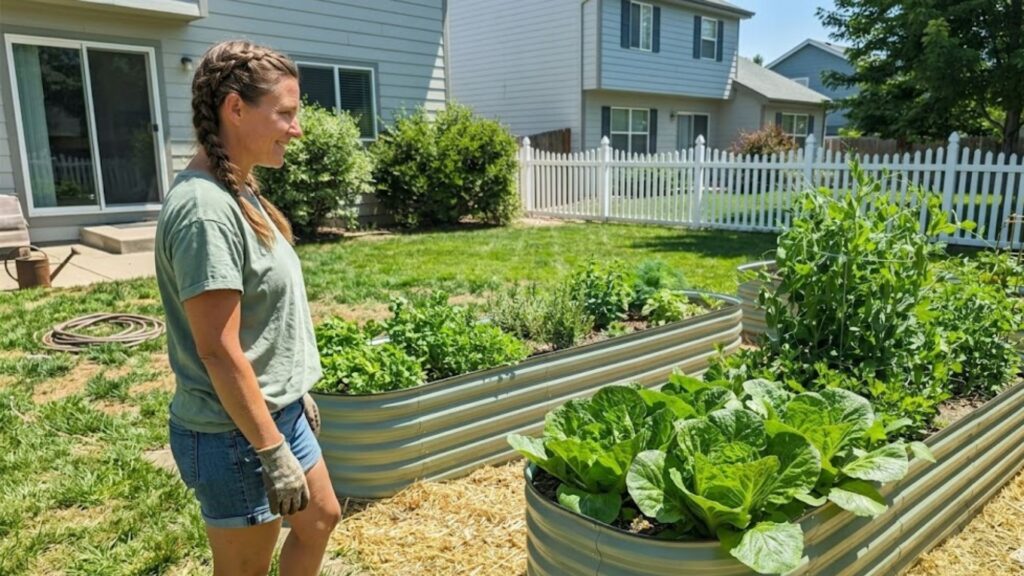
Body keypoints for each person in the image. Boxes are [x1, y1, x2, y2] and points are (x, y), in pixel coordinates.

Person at [154, 40, 341, 576]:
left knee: (320, 518)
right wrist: (270, 449)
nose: (296, 128)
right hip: (234, 433)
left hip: (274, 411)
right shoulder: (205, 211)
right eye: (284, 113)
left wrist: (293, 389)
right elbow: (217, 350)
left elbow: (262, 321)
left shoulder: (238, 188)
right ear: (235, 109)